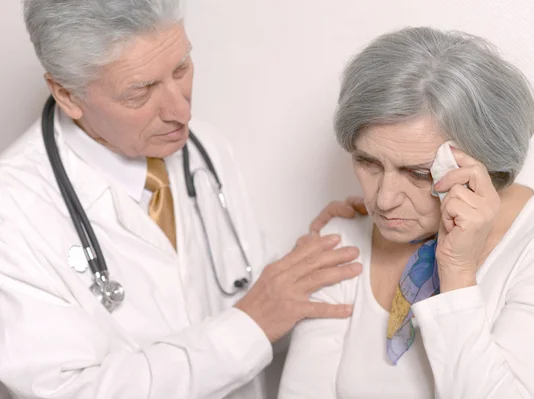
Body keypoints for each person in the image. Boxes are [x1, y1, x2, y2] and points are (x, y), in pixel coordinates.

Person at [0, 1, 367, 398]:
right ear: (67, 94)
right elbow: (69, 391)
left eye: (181, 68)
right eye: (140, 92)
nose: (181, 110)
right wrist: (248, 326)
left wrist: (303, 272)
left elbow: (257, 320)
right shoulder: (14, 212)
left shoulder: (204, 150)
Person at [279, 27, 534, 398]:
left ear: (486, 167)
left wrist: (458, 273)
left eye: (417, 173)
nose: (383, 200)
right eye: (368, 162)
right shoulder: (342, 240)